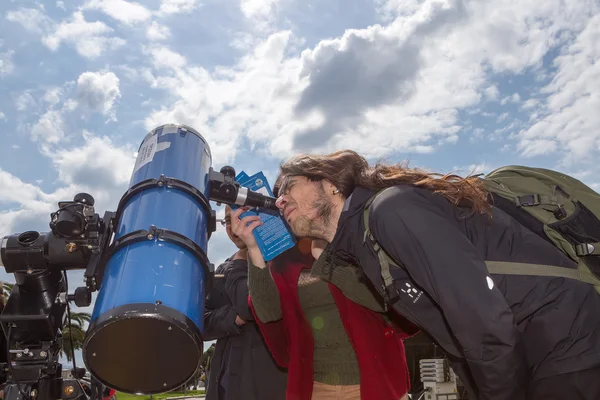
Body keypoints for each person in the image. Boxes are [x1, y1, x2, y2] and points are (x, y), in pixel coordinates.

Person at [252, 149, 600, 400]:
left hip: (566, 345)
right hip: (533, 354)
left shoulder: (391, 211)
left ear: (329, 184)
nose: (279, 201)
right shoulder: (363, 244)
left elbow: (482, 319)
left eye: (288, 187)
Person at [231, 210, 416, 400]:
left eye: (291, 190)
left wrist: (325, 260)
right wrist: (254, 249)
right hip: (316, 387)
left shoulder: (352, 236)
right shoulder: (282, 260)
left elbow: (382, 301)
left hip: (376, 382)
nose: (284, 202)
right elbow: (268, 312)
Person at [202, 205, 287, 400]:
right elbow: (203, 323)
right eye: (228, 220)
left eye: (239, 217)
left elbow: (249, 307)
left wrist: (239, 261)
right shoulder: (224, 268)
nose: (233, 228)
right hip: (223, 385)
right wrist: (234, 317)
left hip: (265, 385)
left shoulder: (279, 262)